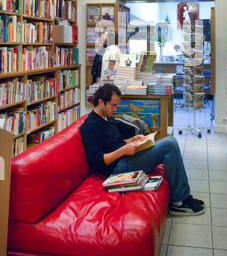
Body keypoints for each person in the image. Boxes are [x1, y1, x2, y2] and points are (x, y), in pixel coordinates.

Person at [80, 83, 205, 216]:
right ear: (101, 102)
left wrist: (131, 140)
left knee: (170, 142)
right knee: (169, 144)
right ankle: (178, 201)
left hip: (124, 158)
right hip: (116, 169)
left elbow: (114, 143)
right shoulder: (89, 126)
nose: (115, 109)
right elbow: (96, 162)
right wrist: (124, 150)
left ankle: (182, 196)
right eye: (113, 105)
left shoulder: (107, 118)